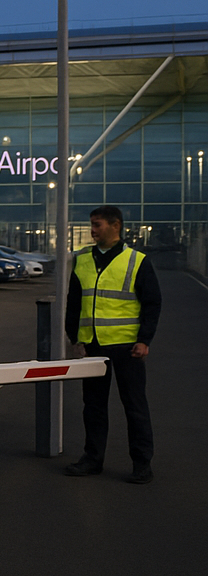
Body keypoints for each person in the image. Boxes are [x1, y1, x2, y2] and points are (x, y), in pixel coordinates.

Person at [63, 205, 162, 484]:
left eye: (97, 224)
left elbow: (152, 303)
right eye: (92, 224)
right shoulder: (82, 259)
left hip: (128, 348)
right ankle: (92, 460)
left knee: (135, 407)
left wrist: (144, 340)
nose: (92, 230)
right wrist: (75, 338)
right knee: (93, 407)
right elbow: (74, 303)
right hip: (93, 347)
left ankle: (142, 464)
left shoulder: (137, 261)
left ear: (115, 225)